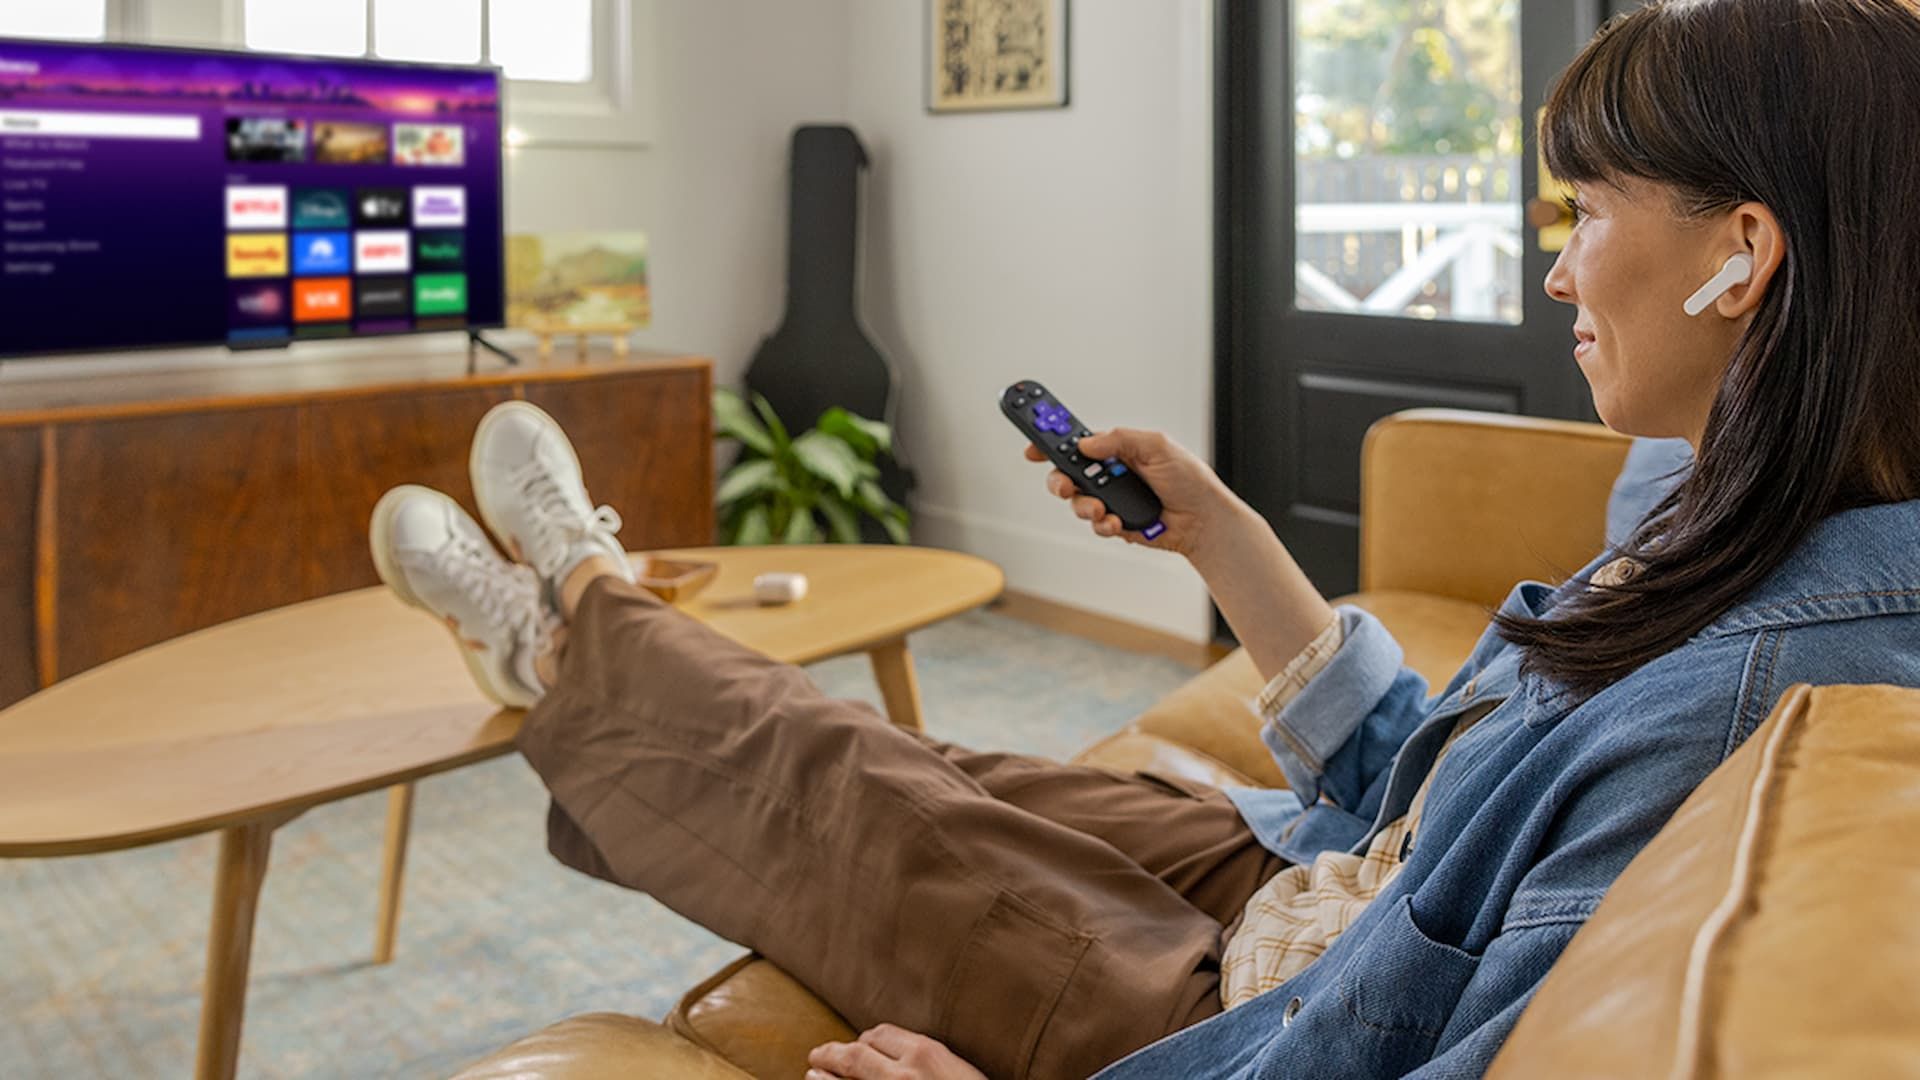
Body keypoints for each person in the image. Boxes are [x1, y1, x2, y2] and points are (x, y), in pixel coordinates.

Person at [368, 1, 1920, 1076]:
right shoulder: (1727, 509)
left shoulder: (1751, 697)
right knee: (931, 765)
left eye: (1583, 209)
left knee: (821, 778)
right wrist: (1219, 531)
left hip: (1242, 1018)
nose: (1559, 271)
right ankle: (584, 610)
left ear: (1743, 255)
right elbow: (1427, 791)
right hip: (1332, 876)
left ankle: (572, 602)